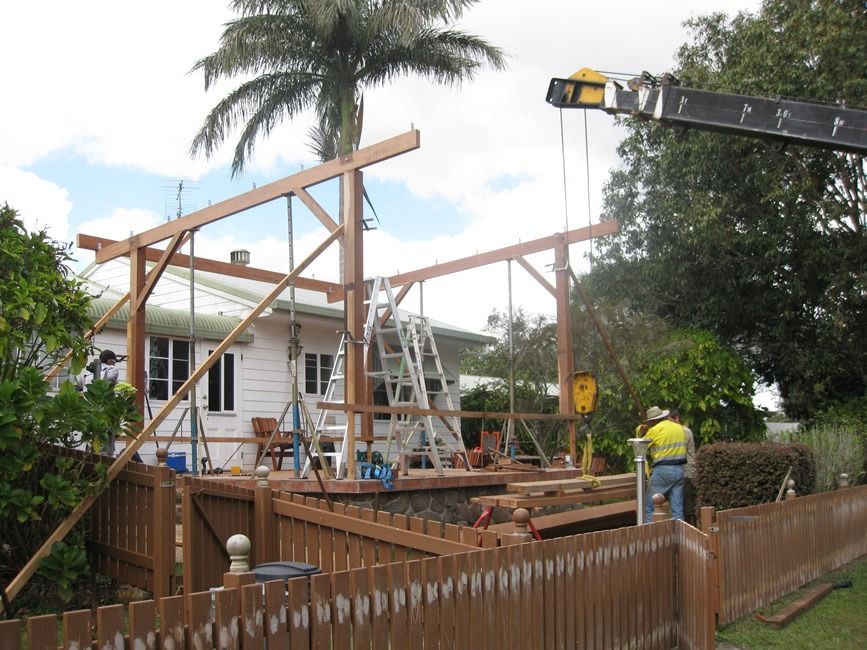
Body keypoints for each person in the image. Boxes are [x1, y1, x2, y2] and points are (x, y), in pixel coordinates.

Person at [637, 405, 688, 522]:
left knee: (649, 506)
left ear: (653, 421)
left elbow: (639, 448)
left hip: (663, 471)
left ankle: (649, 531)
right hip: (679, 470)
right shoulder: (678, 427)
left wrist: (642, 433)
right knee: (677, 509)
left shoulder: (655, 430)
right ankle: (679, 532)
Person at [669, 409, 696, 523]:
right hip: (679, 471)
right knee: (680, 503)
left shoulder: (684, 431)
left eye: (670, 421)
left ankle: (690, 528)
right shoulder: (675, 431)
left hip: (687, 471)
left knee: (687, 504)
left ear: (676, 418)